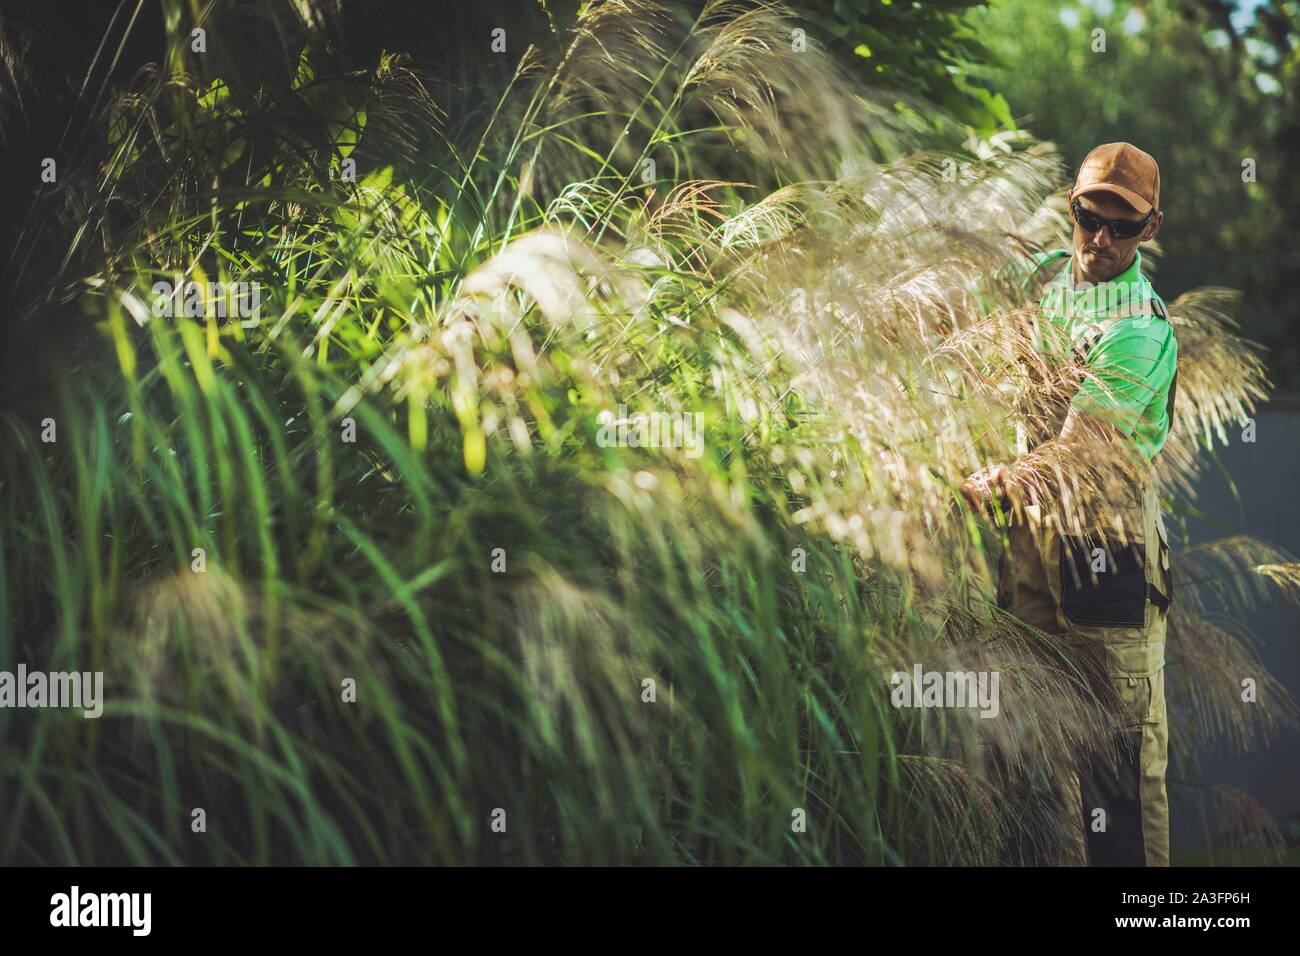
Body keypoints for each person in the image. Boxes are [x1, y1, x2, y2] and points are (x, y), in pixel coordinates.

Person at [962, 142, 1177, 866]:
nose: (1100, 240)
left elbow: (1080, 450)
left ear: (1150, 229)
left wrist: (1004, 479)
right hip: (1027, 545)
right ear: (1072, 206)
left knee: (1113, 783)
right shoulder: (1044, 279)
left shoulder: (1140, 331)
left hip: (1106, 554)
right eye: (1090, 218)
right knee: (1027, 764)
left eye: (1123, 225)